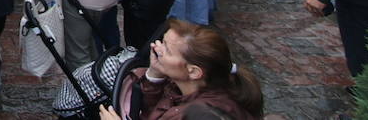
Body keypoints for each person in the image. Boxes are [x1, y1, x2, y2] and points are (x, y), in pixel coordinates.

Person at [98, 20, 264, 120]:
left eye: (167, 50)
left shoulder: (202, 113)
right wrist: (154, 75)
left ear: (193, 72)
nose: (156, 48)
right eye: (161, 42)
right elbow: (153, 111)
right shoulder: (184, 86)